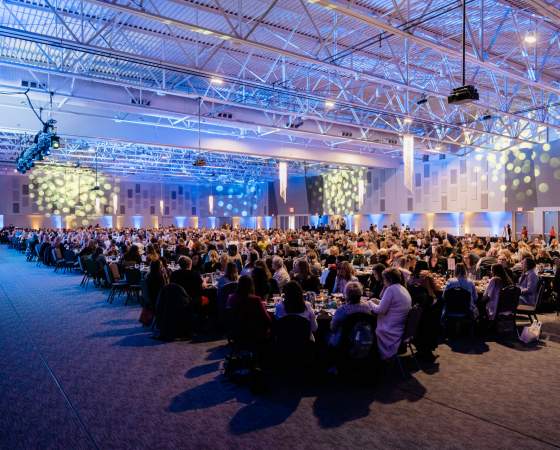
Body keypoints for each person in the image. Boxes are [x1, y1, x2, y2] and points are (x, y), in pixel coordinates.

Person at [371, 268, 412, 360]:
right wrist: (377, 301)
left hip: (390, 329)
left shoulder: (391, 289)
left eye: (384, 279)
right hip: (399, 326)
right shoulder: (402, 288)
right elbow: (390, 304)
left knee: (368, 326)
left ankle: (371, 357)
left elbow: (380, 310)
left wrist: (370, 303)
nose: (383, 281)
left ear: (388, 279)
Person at [226, 275, 272, 346]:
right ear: (251, 286)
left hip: (237, 333)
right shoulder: (255, 300)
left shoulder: (231, 298)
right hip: (254, 334)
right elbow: (267, 319)